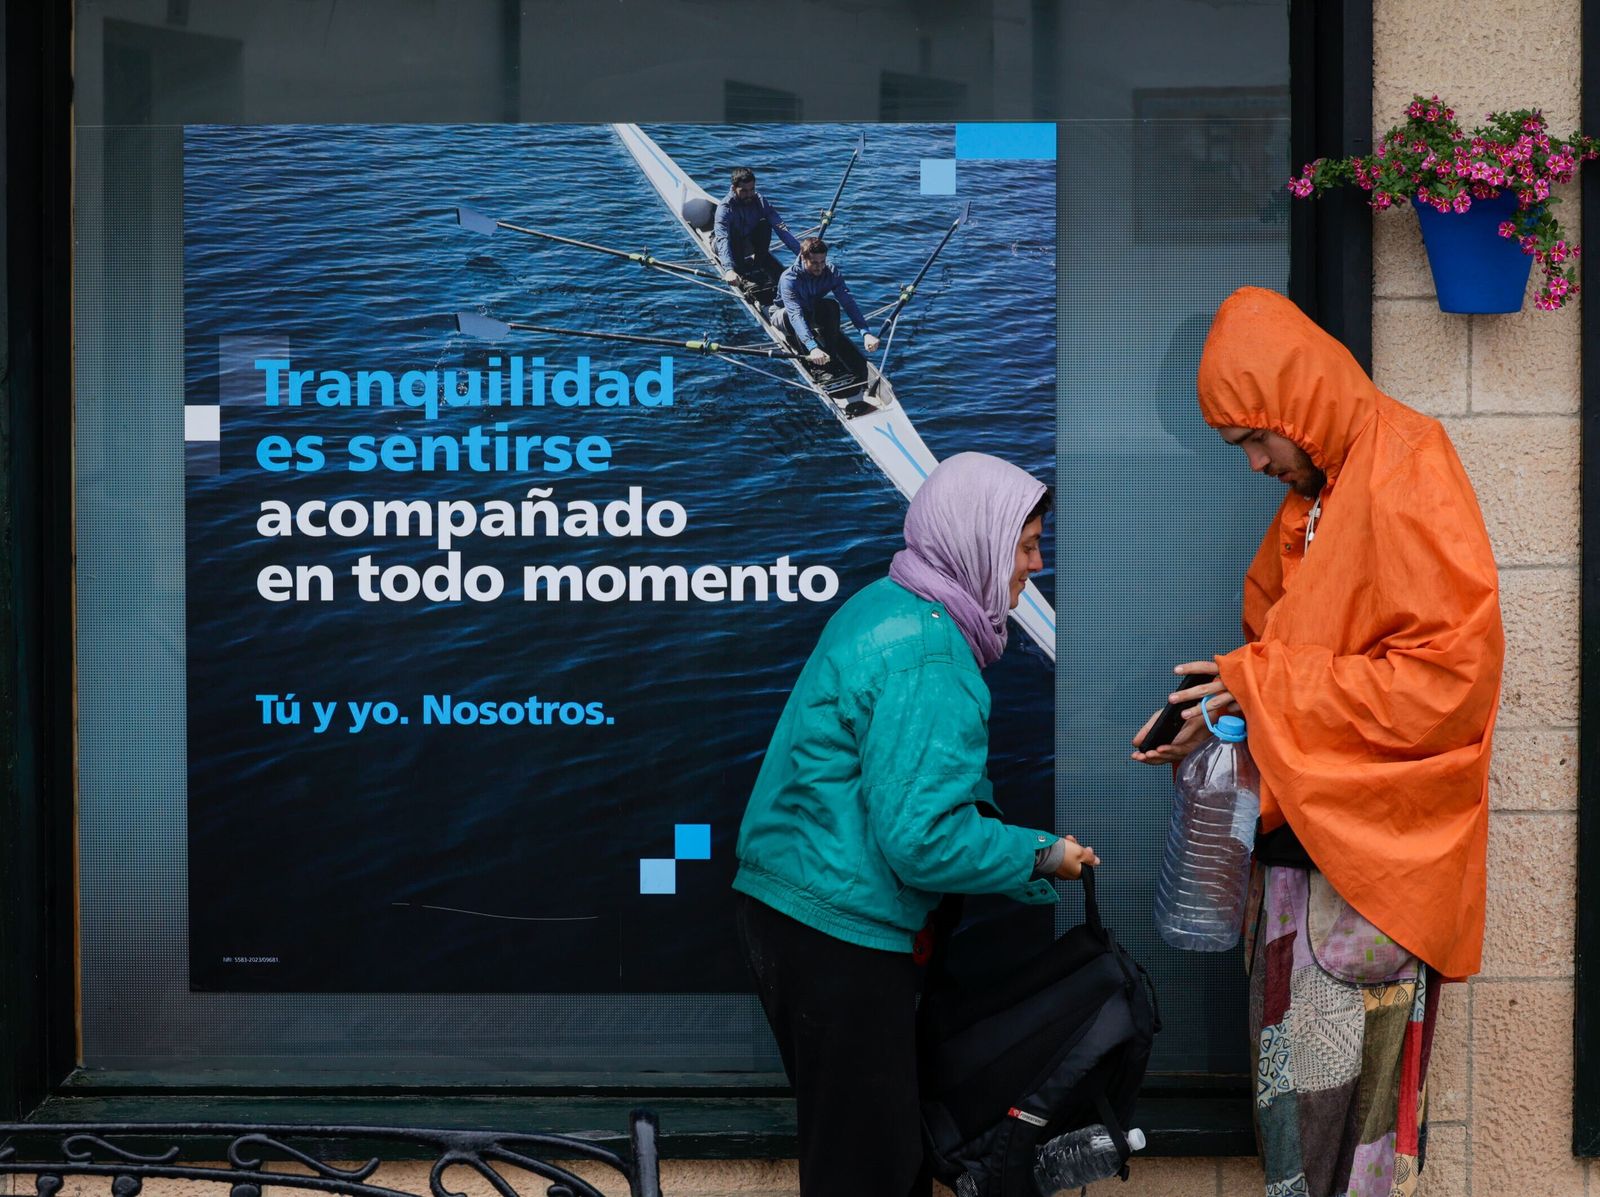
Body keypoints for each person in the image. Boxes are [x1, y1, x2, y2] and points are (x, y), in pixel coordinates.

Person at [1132, 287, 1502, 1197]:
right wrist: (1220, 715)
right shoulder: (1323, 494)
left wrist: (1261, 682)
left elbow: (1445, 686)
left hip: (1373, 875)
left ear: (1297, 405)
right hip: (1309, 860)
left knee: (1350, 1160)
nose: (1255, 462)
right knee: (1302, 1149)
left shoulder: (1406, 466)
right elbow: (1292, 655)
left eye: (1256, 438)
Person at [733, 452, 1095, 1197]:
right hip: (843, 931)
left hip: (794, 908)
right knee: (873, 1173)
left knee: (857, 1151)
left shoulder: (888, 602)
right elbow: (922, 840)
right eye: (1024, 545)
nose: (1034, 566)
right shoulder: (932, 651)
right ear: (979, 541)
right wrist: (1044, 856)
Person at [772, 236, 881, 369]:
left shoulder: (830, 272)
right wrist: (812, 347)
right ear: (803, 258)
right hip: (784, 316)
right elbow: (795, 315)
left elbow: (848, 303)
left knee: (832, 306)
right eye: (814, 263)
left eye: (822, 262)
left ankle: (831, 356)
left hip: (809, 310)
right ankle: (814, 364)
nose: (820, 267)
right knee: (799, 313)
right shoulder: (789, 279)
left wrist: (866, 333)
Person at [714, 166, 805, 301]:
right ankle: (741, 272)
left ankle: (757, 268)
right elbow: (722, 239)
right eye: (744, 191)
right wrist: (728, 269)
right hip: (727, 245)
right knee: (735, 233)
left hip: (748, 243)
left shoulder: (760, 201)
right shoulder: (725, 209)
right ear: (733, 188)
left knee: (764, 225)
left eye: (752, 189)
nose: (749, 194)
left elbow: (781, 228)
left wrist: (803, 254)